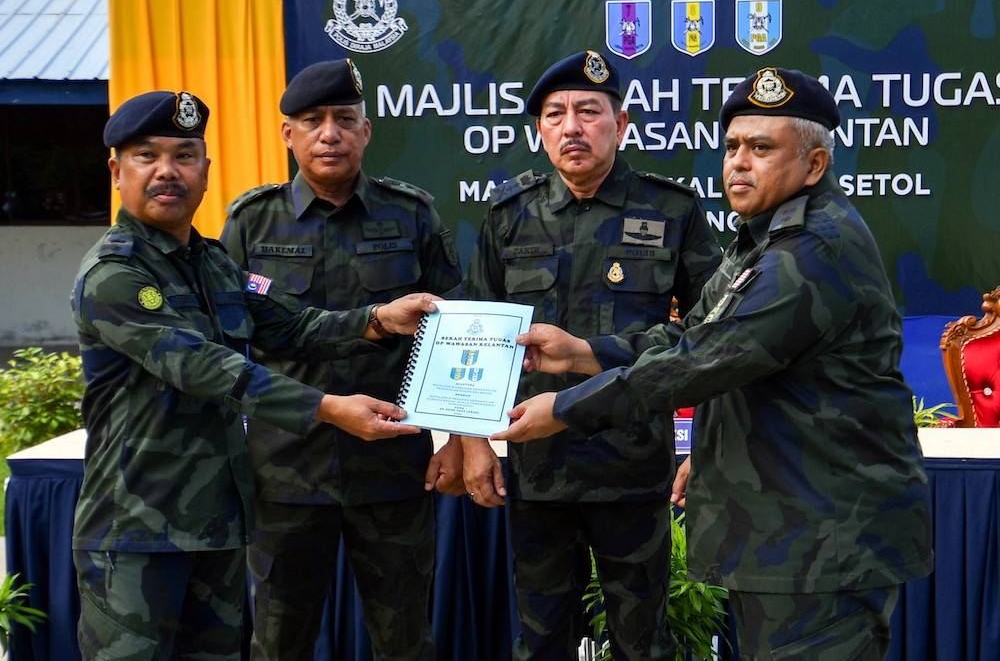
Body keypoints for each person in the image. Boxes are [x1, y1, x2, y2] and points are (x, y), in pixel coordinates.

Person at [493, 67, 934, 659]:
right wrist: (586, 352)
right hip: (786, 531)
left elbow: (705, 361)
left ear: (815, 165)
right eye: (731, 147)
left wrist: (567, 407)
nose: (739, 163)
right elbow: (690, 334)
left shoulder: (812, 251)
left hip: (825, 540)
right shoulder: (762, 239)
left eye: (762, 148)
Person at [70, 90, 438, 660]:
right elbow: (205, 367)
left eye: (185, 155)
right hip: (137, 528)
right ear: (118, 172)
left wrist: (378, 319)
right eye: (148, 156)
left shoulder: (213, 263)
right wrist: (328, 407)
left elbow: (291, 325)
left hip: (217, 523)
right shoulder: (114, 273)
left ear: (206, 171)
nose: (168, 171)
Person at [459, 50, 722, 660]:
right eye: (555, 114)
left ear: (622, 123)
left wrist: (704, 446)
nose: (571, 127)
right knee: (542, 640)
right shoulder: (508, 216)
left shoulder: (672, 211)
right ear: (539, 131)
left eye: (588, 111)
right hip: (536, 466)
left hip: (633, 465)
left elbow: (712, 341)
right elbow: (473, 335)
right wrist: (473, 443)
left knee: (641, 643)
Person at [220, 59, 463, 661]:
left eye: (343, 119)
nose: (329, 133)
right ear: (288, 134)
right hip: (285, 471)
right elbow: (227, 344)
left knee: (405, 639)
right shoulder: (251, 222)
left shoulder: (410, 214)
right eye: (312, 120)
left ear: (366, 131)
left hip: (392, 468)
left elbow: (453, 331)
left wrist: (457, 435)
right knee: (278, 641)